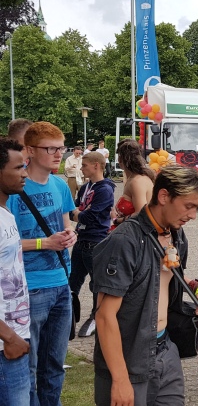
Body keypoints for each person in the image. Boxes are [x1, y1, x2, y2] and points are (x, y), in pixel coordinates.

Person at [93, 165, 198, 405]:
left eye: (196, 209)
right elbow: (105, 316)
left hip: (165, 350)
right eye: (189, 206)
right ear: (164, 196)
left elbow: (168, 277)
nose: (192, 215)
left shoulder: (176, 234)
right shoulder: (124, 241)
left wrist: (197, 289)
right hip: (129, 359)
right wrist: (120, 379)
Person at [6, 122, 76, 406]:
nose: (59, 154)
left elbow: (66, 223)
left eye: (61, 148)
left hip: (61, 283)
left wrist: (70, 235)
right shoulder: (13, 189)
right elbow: (5, 242)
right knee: (30, 367)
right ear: (31, 151)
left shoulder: (60, 185)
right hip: (30, 288)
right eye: (51, 149)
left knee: (55, 365)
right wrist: (44, 243)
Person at [68, 151, 115, 338]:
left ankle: (96, 317)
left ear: (96, 165)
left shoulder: (105, 189)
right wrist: (79, 212)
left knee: (97, 283)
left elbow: (90, 215)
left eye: (85, 165)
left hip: (96, 242)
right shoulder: (86, 186)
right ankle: (69, 315)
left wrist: (79, 212)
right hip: (81, 240)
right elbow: (73, 208)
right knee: (72, 281)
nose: (81, 167)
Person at [0, 138, 31, 405]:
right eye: (18, 167)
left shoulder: (6, 212)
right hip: (5, 345)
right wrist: (9, 338)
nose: (24, 173)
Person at [112, 140, 155, 229]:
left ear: (120, 159)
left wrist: (116, 220)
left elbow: (141, 214)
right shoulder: (133, 178)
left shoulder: (137, 181)